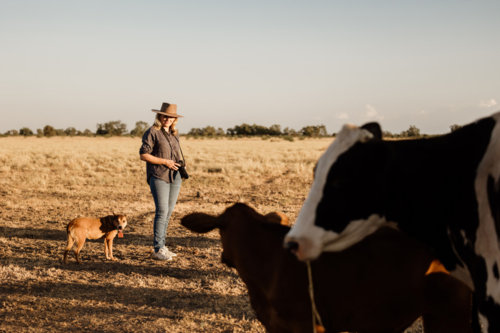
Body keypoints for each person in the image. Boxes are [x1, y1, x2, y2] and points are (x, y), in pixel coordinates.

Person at [139, 102, 184, 260]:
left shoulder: (174, 133)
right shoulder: (152, 131)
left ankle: (163, 246)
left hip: (174, 176)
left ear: (174, 119)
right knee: (162, 211)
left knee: (168, 212)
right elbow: (144, 155)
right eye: (165, 116)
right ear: (160, 116)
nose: (168, 119)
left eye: (171, 117)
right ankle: (158, 249)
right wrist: (165, 162)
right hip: (159, 175)